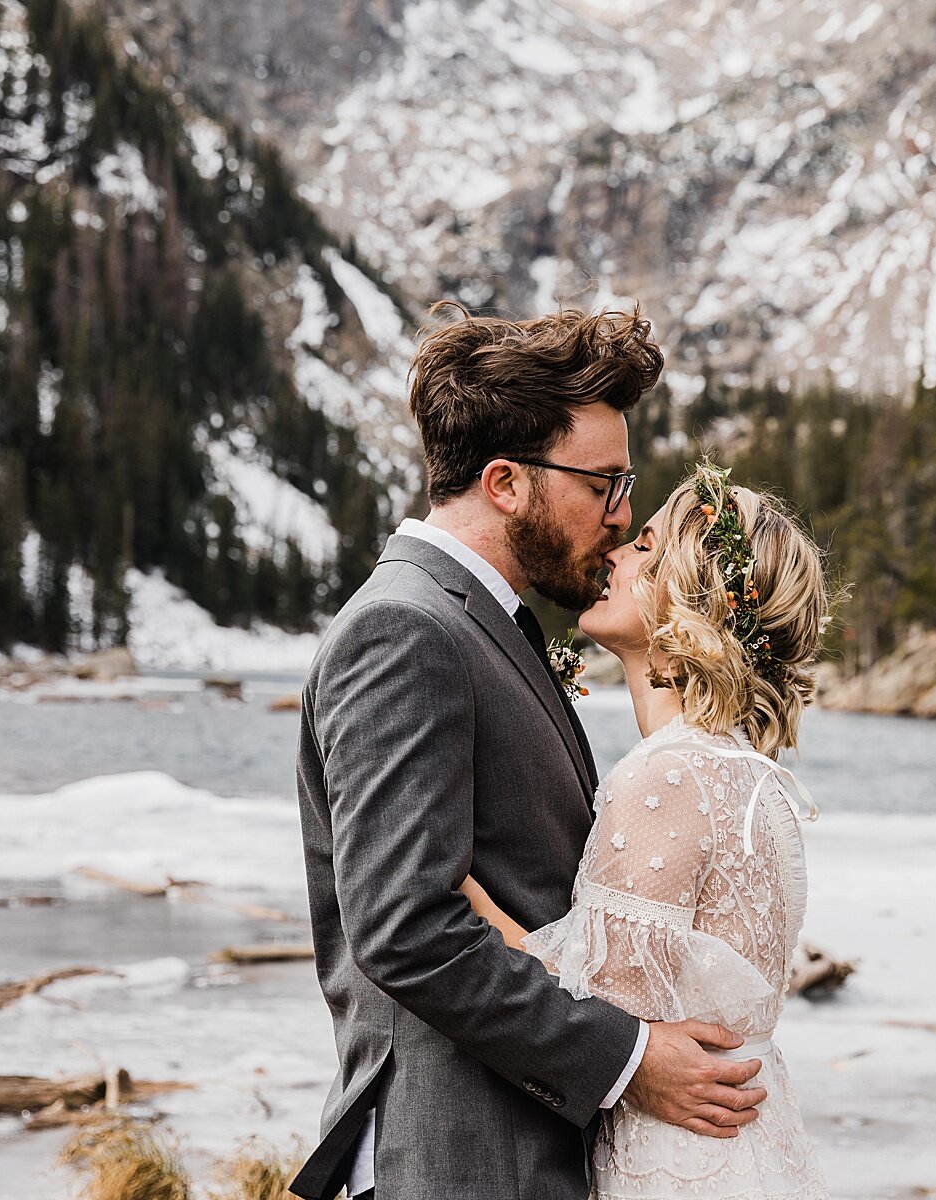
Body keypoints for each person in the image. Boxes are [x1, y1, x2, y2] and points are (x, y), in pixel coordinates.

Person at [289, 306, 767, 1200]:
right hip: (452, 1162)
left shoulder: (479, 624)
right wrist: (629, 1060)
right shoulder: (406, 631)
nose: (621, 520)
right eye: (604, 485)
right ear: (506, 482)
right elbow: (408, 931)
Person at [462, 461, 834, 1200]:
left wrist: (449, 880)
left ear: (687, 596)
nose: (616, 549)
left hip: (678, 1165)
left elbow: (593, 1014)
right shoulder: (744, 774)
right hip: (739, 1152)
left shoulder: (671, 777)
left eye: (646, 547)